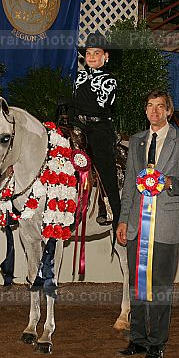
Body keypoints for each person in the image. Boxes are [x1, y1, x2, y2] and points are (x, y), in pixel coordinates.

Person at [116, 90, 179, 358]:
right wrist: (123, 219)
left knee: (161, 286)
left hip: (166, 226)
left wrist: (168, 182)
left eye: (160, 106)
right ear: (145, 110)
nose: (154, 111)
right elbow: (130, 185)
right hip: (136, 226)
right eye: (150, 106)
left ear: (168, 112)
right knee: (137, 285)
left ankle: (157, 343)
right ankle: (138, 339)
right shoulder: (137, 141)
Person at [67, 31, 120, 230]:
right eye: (88, 53)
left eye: (96, 53)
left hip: (99, 126)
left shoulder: (109, 80)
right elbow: (75, 105)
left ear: (106, 56)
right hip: (78, 125)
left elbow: (98, 105)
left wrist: (73, 102)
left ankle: (115, 212)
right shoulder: (79, 77)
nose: (91, 57)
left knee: (105, 166)